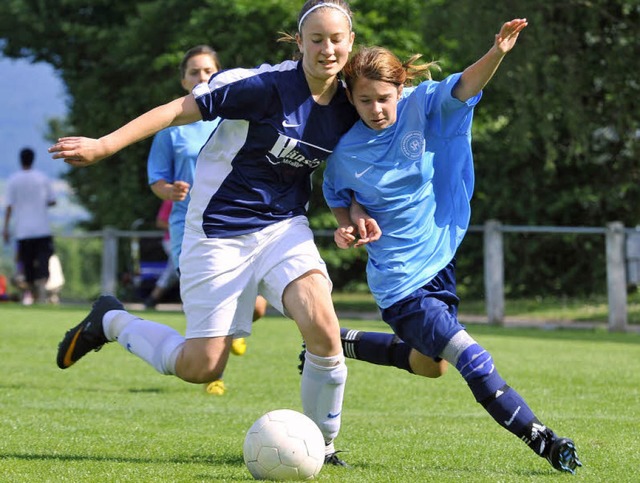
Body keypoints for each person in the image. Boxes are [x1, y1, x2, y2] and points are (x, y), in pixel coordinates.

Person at [50, 0, 357, 466]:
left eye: (337, 39)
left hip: (283, 228)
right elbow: (177, 109)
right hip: (218, 230)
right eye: (316, 39)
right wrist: (104, 144)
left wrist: (355, 212)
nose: (327, 49)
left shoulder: (353, 100)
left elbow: (377, 152)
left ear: (350, 42)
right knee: (202, 367)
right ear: (299, 43)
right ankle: (111, 320)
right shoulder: (262, 86)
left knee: (323, 327)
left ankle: (325, 446)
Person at [321, 20, 582, 474]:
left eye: (384, 98)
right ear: (350, 98)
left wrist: (496, 51)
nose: (377, 109)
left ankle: (338, 342)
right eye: (365, 100)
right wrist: (348, 226)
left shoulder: (423, 106)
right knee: (471, 357)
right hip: (400, 285)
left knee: (430, 366)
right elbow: (339, 200)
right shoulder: (344, 152)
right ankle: (543, 440)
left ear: (400, 88)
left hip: (440, 266)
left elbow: (463, 85)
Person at [145, 45, 268, 395]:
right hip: (189, 227)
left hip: (234, 222)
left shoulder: (231, 119)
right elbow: (156, 180)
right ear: (184, 80)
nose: (202, 77)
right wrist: (168, 190)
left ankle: (235, 329)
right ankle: (214, 373)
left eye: (208, 71)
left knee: (258, 306)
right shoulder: (171, 129)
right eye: (194, 72)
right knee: (212, 300)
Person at [3, 147, 57, 304]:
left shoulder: (13, 180)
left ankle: (31, 294)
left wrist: (5, 229)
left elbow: (9, 207)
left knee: (27, 266)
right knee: (43, 262)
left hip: (23, 231)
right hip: (42, 229)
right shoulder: (42, 178)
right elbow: (52, 200)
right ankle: (41, 293)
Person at [143, 199, 180, 309]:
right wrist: (179, 227)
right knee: (181, 269)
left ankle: (152, 299)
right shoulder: (172, 198)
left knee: (173, 270)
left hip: (186, 241)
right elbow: (160, 222)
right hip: (172, 241)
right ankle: (190, 300)